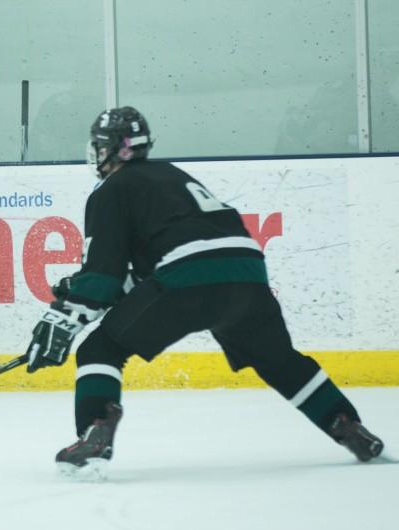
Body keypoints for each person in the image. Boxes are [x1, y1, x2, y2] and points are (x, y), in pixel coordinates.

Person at [26, 106, 384, 480]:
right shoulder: (173, 176)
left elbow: (104, 276)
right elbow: (153, 269)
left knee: (101, 349)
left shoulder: (111, 189)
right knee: (278, 359)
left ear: (109, 149)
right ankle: (345, 423)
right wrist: (96, 292)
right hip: (246, 273)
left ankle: (95, 433)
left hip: (190, 276)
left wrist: (63, 318)